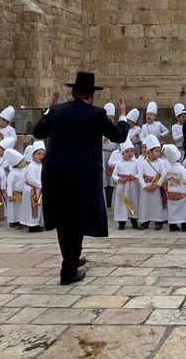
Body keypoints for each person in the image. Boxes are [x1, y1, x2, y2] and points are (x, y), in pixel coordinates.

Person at [31, 71, 130, 285]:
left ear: (74, 92)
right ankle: (68, 271)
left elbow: (38, 132)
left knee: (64, 218)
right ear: (91, 95)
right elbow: (119, 136)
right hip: (81, 176)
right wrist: (123, 116)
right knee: (75, 220)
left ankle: (71, 259)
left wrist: (49, 109)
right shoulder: (96, 114)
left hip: (55, 174)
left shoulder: (57, 111)